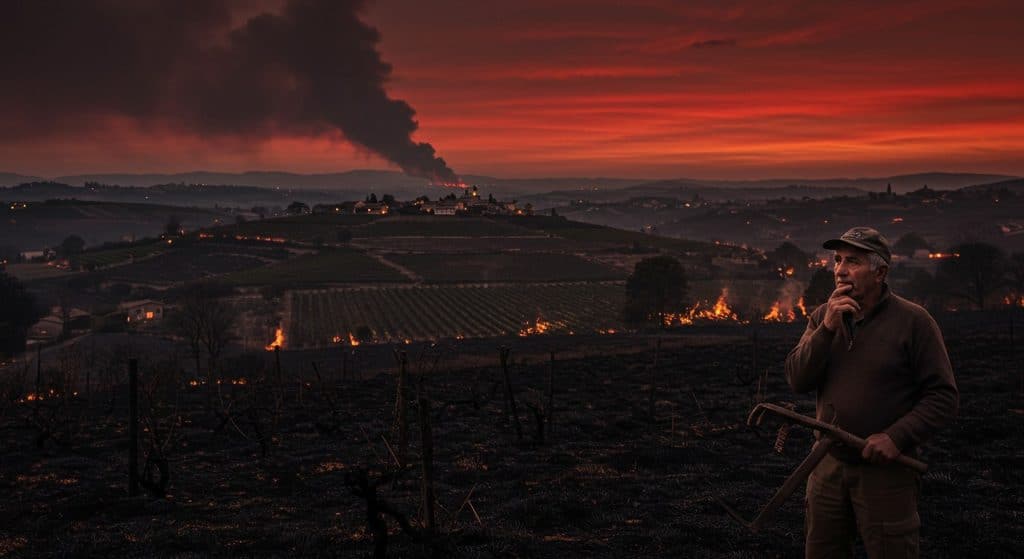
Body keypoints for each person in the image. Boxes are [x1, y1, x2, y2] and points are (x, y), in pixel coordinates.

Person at [785, 226, 958, 558]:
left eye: (853, 261)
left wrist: (896, 436)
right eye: (837, 260)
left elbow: (943, 397)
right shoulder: (824, 316)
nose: (840, 270)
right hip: (826, 468)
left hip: (886, 475)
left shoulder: (914, 322)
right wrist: (826, 330)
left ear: (880, 272)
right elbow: (797, 379)